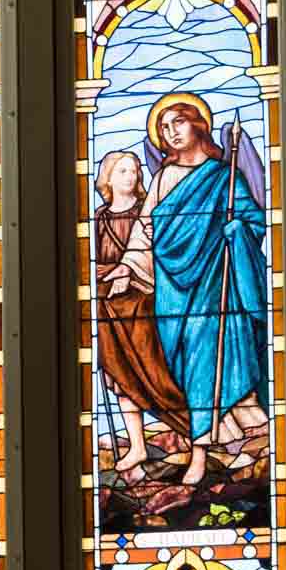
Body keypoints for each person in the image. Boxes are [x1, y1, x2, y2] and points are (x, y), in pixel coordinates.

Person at [106, 96, 268, 487]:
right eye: (164, 127)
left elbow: (253, 222)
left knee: (204, 358)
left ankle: (199, 454)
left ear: (198, 125)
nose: (171, 132)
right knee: (181, 361)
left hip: (215, 283)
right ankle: (228, 441)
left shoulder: (223, 177)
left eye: (178, 122)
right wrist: (127, 269)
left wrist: (238, 231)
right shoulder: (162, 177)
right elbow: (145, 232)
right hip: (171, 289)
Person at [93, 149, 190, 476]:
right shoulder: (98, 219)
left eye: (134, 171)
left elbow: (158, 255)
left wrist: (129, 272)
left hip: (143, 306)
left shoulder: (147, 214)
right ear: (107, 177)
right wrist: (107, 274)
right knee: (121, 379)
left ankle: (188, 433)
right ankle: (136, 445)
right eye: (122, 171)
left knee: (155, 371)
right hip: (108, 309)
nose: (131, 176)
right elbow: (87, 264)